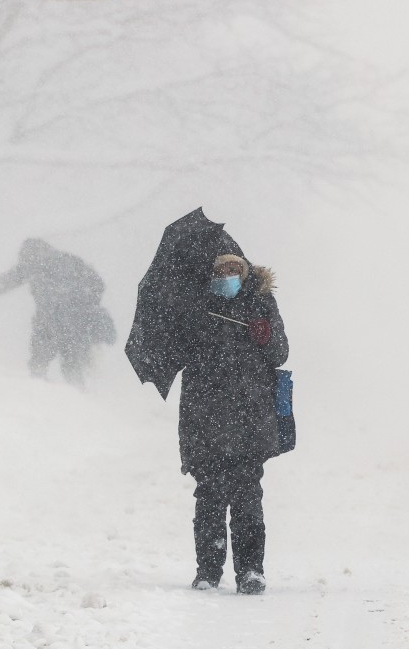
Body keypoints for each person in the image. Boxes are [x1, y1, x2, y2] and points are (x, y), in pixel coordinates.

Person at [177, 253, 289, 595]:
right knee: (209, 498)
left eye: (233, 270)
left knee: (246, 499)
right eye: (219, 270)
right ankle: (208, 572)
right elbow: (176, 354)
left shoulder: (261, 304)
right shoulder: (198, 307)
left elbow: (281, 353)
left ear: (244, 273)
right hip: (204, 418)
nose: (226, 274)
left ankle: (251, 571)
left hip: (250, 418)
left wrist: (265, 335)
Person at [0, 238, 115, 384]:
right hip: (73, 324)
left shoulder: (34, 264)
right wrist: (83, 303)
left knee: (40, 365)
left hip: (52, 323)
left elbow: (4, 283)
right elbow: (98, 284)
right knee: (71, 367)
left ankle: (44, 395)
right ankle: (78, 397)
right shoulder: (70, 261)